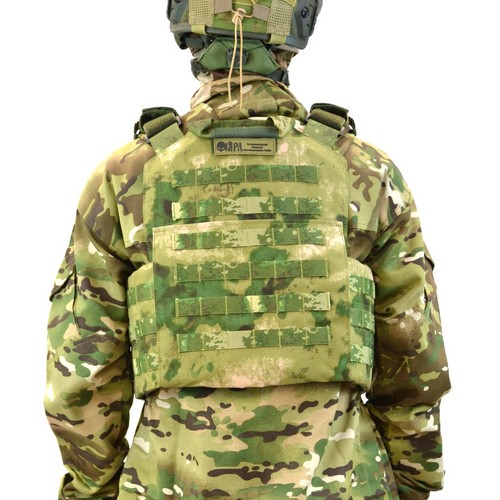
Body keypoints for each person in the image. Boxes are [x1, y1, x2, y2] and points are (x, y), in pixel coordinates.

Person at [44, 1, 451, 498]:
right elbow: (413, 356)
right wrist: (413, 480)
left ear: (190, 34)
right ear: (293, 35)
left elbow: (81, 372)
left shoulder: (125, 176)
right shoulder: (366, 172)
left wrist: (93, 490)